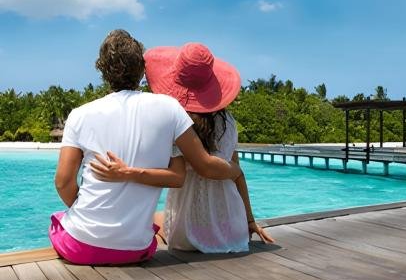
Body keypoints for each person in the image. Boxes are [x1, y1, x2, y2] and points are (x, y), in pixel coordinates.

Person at [50, 30, 241, 265]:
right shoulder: (170, 108)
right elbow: (186, 172)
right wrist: (235, 170)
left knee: (59, 221)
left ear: (102, 70)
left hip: (81, 247)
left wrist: (89, 213)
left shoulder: (79, 115)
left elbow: (63, 182)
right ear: (142, 69)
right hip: (136, 249)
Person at [92, 42, 274, 253]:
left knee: (149, 217)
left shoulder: (176, 125)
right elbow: (237, 174)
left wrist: (128, 173)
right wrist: (249, 221)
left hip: (189, 234)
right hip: (232, 230)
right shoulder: (229, 123)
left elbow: (185, 173)